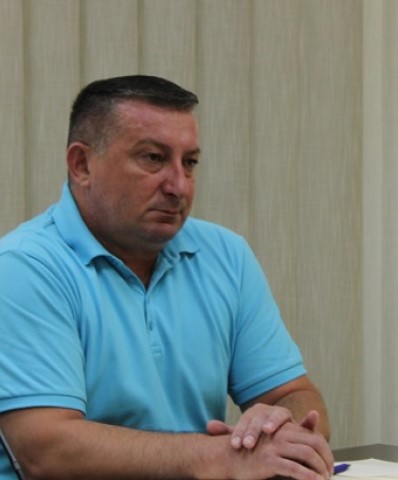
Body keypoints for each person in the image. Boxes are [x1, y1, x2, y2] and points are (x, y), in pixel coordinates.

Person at [0, 75, 334, 479]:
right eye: (153, 158)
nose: (178, 186)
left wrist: (282, 432)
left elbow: (293, 393)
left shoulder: (225, 255)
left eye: (189, 163)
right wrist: (218, 457)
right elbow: (47, 451)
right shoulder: (24, 267)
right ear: (82, 164)